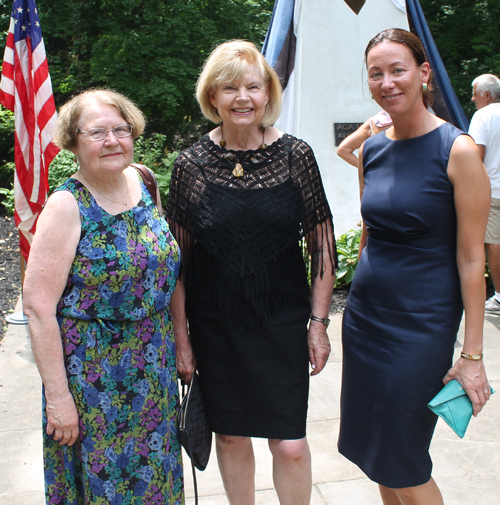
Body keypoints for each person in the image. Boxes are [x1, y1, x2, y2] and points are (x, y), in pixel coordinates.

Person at [166, 40, 336, 504]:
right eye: (229, 87)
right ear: (213, 97)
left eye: (253, 87)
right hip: (214, 325)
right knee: (233, 437)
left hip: (280, 322)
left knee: (291, 444)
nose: (242, 97)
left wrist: (318, 325)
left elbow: (322, 242)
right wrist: (182, 337)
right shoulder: (190, 166)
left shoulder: (295, 156)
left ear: (267, 94)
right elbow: (174, 263)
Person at [338, 29, 491, 505]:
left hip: (420, 327)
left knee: (404, 458)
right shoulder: (373, 150)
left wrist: (471, 356)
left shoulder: (458, 151)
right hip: (365, 321)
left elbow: (472, 258)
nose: (387, 82)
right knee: (376, 454)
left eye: (398, 69)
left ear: (423, 74)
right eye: (376, 73)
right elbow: (370, 235)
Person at [23, 89, 184, 504]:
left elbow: (167, 272)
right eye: (97, 132)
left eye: (120, 129)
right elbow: (38, 309)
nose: (112, 140)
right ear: (73, 142)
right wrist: (59, 399)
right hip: (94, 382)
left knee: (156, 480)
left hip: (154, 368)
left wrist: (182, 346)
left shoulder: (144, 180)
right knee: (108, 486)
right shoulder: (65, 206)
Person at [468, 74, 500, 314]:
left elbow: (475, 156)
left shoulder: (483, 116)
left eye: (475, 93)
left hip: (494, 192)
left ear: (486, 96)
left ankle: (499, 297)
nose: (472, 98)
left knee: (495, 244)